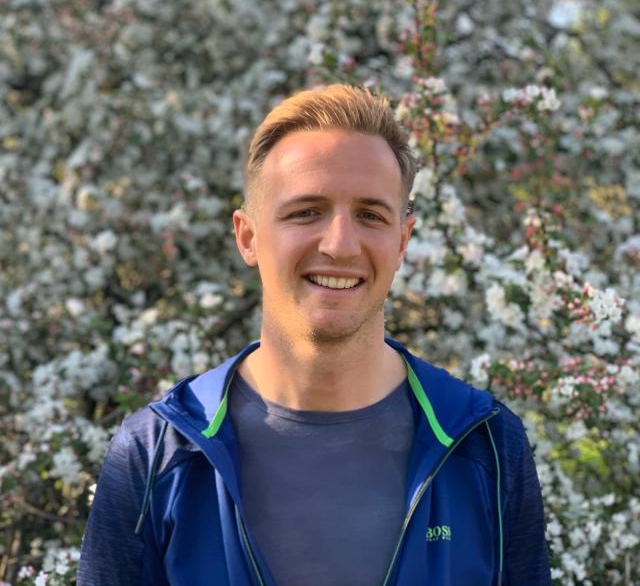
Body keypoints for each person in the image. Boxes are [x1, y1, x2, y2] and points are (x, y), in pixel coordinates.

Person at [78, 85, 551, 585]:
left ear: (402, 242)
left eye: (370, 215)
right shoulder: (156, 453)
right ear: (248, 237)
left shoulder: (486, 445)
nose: (341, 245)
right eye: (306, 211)